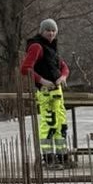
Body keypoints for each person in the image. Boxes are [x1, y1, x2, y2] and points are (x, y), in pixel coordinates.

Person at [19, 17, 70, 165]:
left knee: (61, 124)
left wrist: (63, 77)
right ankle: (48, 157)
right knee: (49, 124)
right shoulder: (36, 46)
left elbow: (64, 67)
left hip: (57, 92)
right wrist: (42, 81)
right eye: (48, 30)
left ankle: (62, 155)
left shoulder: (52, 48)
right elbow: (25, 68)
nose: (51, 33)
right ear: (42, 31)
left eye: (53, 30)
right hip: (46, 92)